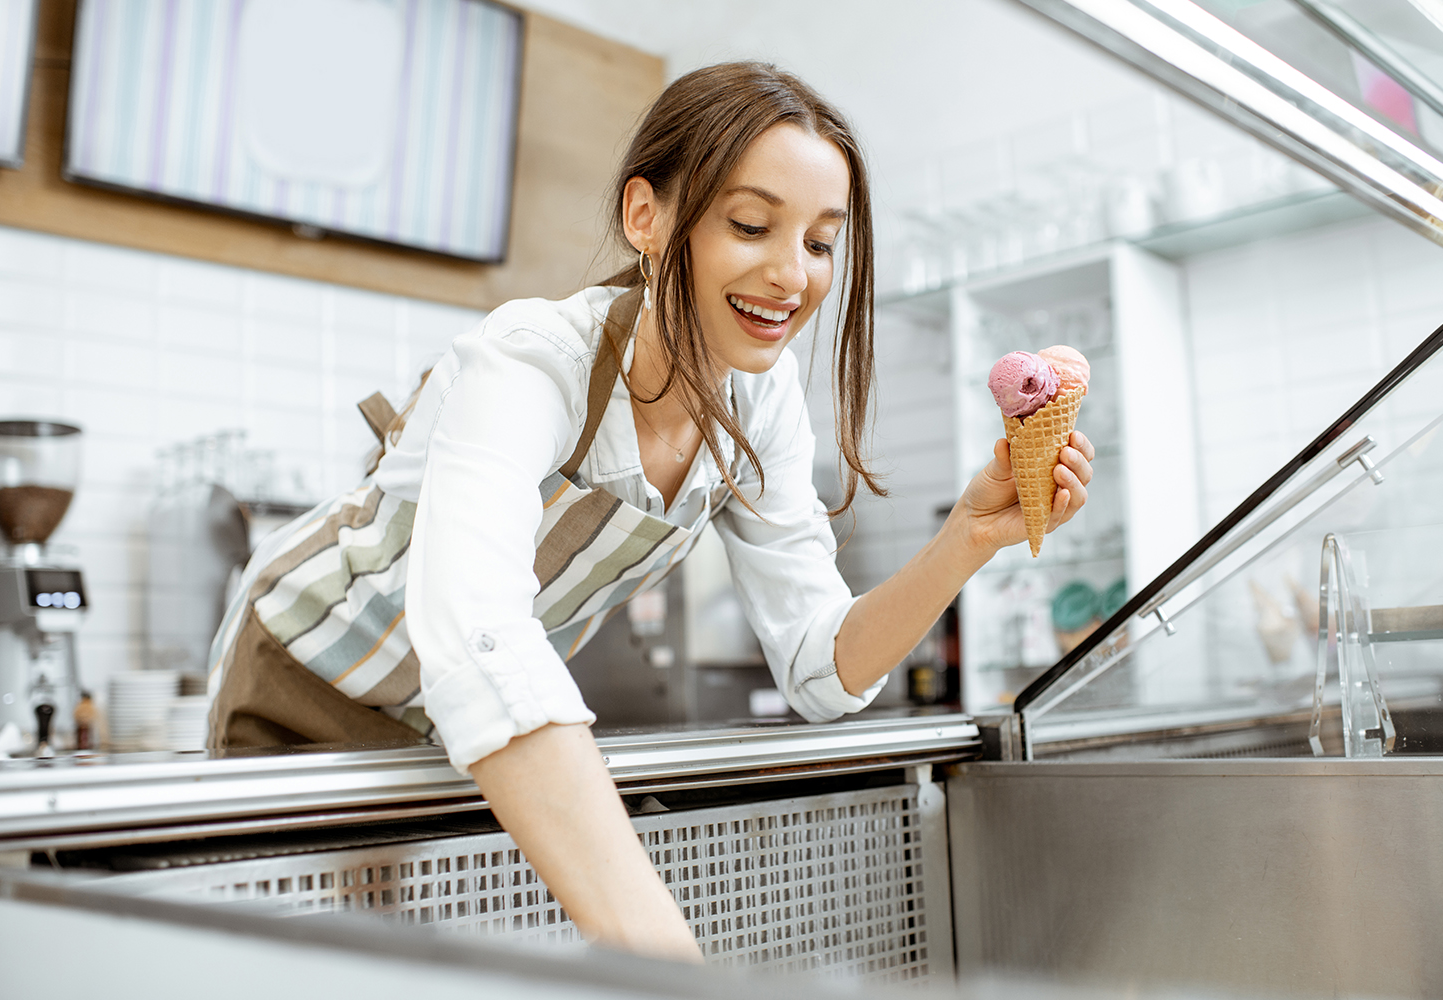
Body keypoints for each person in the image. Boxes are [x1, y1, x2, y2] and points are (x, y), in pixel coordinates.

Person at [206, 62, 1094, 962]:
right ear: (647, 216)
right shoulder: (530, 360)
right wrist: (667, 961)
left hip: (449, 725)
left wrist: (968, 538)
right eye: (751, 225)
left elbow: (820, 668)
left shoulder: (762, 399)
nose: (793, 275)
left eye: (822, 243)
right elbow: (482, 641)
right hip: (307, 681)